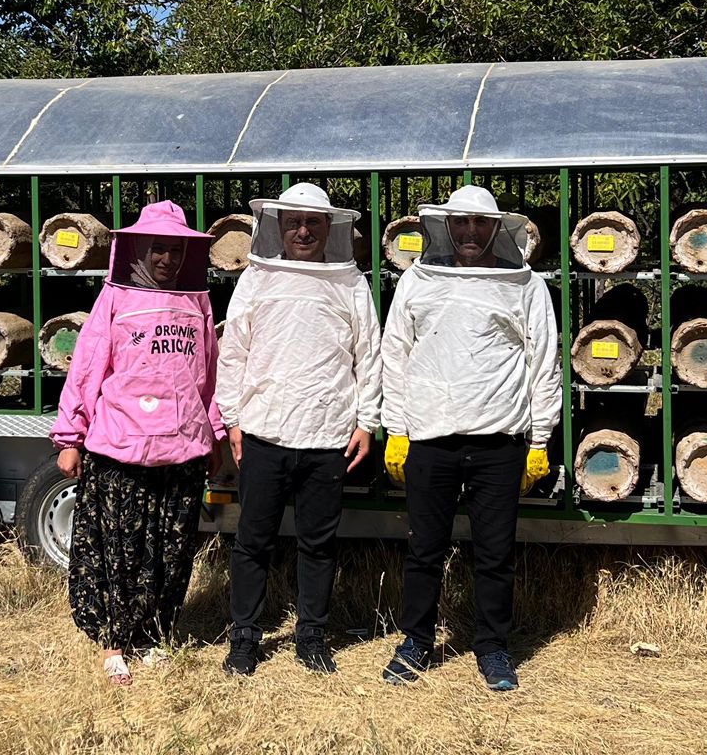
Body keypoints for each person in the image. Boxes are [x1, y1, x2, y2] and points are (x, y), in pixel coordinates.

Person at [378, 185, 561, 693]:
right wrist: (396, 430)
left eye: (480, 224)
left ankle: (493, 647)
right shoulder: (418, 280)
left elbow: (542, 362)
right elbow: (395, 356)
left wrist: (540, 438)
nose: (470, 233)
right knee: (424, 550)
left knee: (495, 552)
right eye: (460, 223)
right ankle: (415, 642)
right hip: (430, 437)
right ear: (445, 227)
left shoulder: (525, 286)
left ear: (497, 229)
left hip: (499, 440)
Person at [51, 200, 229, 686]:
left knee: (169, 549)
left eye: (174, 250)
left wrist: (213, 437)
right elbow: (87, 369)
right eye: (158, 249)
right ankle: (114, 642)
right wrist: (71, 436)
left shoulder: (197, 302)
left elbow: (207, 379)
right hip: (120, 446)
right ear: (139, 251)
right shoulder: (115, 300)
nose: (167, 259)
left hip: (182, 448)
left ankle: (152, 634)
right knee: (119, 547)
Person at [214, 183, 381, 677]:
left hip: (328, 433)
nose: (303, 231)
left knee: (318, 543)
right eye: (293, 222)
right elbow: (235, 351)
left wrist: (367, 422)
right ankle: (244, 637)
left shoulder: (350, 282)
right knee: (252, 540)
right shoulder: (257, 277)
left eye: (312, 222)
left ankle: (312, 636)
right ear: (278, 226)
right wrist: (233, 419)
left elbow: (368, 355)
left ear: (330, 227)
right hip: (264, 430)